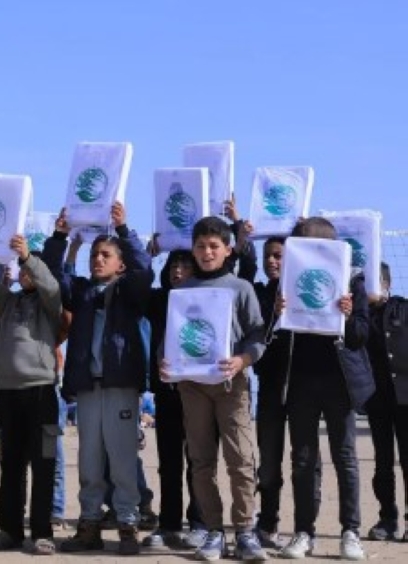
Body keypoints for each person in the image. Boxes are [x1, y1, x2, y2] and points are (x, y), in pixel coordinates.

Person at [44, 202, 153, 556]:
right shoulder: (82, 292)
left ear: (120, 262)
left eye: (106, 255)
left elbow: (144, 270)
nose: (98, 260)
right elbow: (53, 275)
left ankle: (127, 525)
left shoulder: (130, 293)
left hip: (121, 387)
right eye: (94, 254)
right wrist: (60, 237)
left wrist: (124, 230)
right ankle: (88, 525)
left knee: (121, 460)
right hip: (88, 388)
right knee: (89, 460)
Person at [159, 215, 267, 562]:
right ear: (192, 249)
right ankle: (214, 531)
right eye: (201, 246)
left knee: (240, 460)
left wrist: (242, 360)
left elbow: (257, 335)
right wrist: (165, 362)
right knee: (202, 461)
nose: (207, 252)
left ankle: (246, 531)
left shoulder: (241, 288)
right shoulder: (181, 291)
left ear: (228, 249)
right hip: (192, 387)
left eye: (214, 246)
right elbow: (171, 339)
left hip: (231, 385)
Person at [274, 217, 373, 561]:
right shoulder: (286, 279)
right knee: (303, 459)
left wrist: (347, 315)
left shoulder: (352, 280)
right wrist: (277, 314)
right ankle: (304, 532)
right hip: (300, 379)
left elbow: (361, 335)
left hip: (339, 381)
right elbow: (274, 335)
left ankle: (350, 532)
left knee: (345, 456)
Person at [0, 230, 62, 555]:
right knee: (11, 466)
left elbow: (50, 285)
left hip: (41, 392)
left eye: (30, 268)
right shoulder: (8, 302)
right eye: (21, 270)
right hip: (8, 393)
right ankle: (9, 529)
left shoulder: (51, 303)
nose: (24, 273)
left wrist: (26, 256)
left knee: (43, 464)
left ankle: (42, 532)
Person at [141, 244, 206, 549]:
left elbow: (238, 272)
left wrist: (241, 243)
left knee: (199, 461)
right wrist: (148, 255)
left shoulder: (209, 297)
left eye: (185, 266)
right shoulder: (158, 300)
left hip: (201, 393)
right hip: (167, 392)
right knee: (169, 463)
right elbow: (136, 288)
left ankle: (200, 523)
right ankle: (168, 525)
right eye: (174, 266)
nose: (178, 271)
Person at [366, 262, 408, 541]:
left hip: (405, 396)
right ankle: (387, 518)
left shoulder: (403, 308)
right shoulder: (359, 315)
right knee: (382, 461)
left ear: (386, 283)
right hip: (376, 399)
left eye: (375, 281)